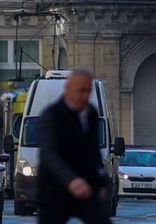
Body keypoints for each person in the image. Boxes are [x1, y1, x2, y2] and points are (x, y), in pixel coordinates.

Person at [37, 70, 110, 224]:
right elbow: (49, 154)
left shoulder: (91, 114)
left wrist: (101, 183)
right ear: (67, 88)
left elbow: (93, 152)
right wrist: (71, 180)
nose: (85, 96)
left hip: (85, 188)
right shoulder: (51, 115)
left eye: (88, 91)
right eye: (81, 90)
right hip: (55, 189)